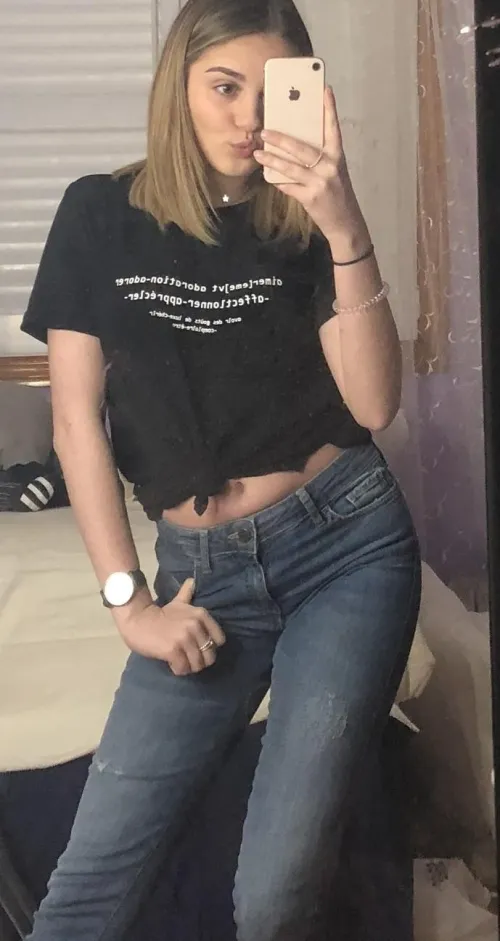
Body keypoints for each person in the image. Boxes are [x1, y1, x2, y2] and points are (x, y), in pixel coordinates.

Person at [21, 0, 421, 938]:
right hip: (202, 579)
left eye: (271, 93)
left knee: (273, 896)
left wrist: (344, 224)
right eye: (225, 87)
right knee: (83, 895)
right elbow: (76, 423)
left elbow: (374, 407)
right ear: (179, 87)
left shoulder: (305, 220)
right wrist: (130, 604)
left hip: (345, 548)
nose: (247, 120)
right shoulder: (99, 213)